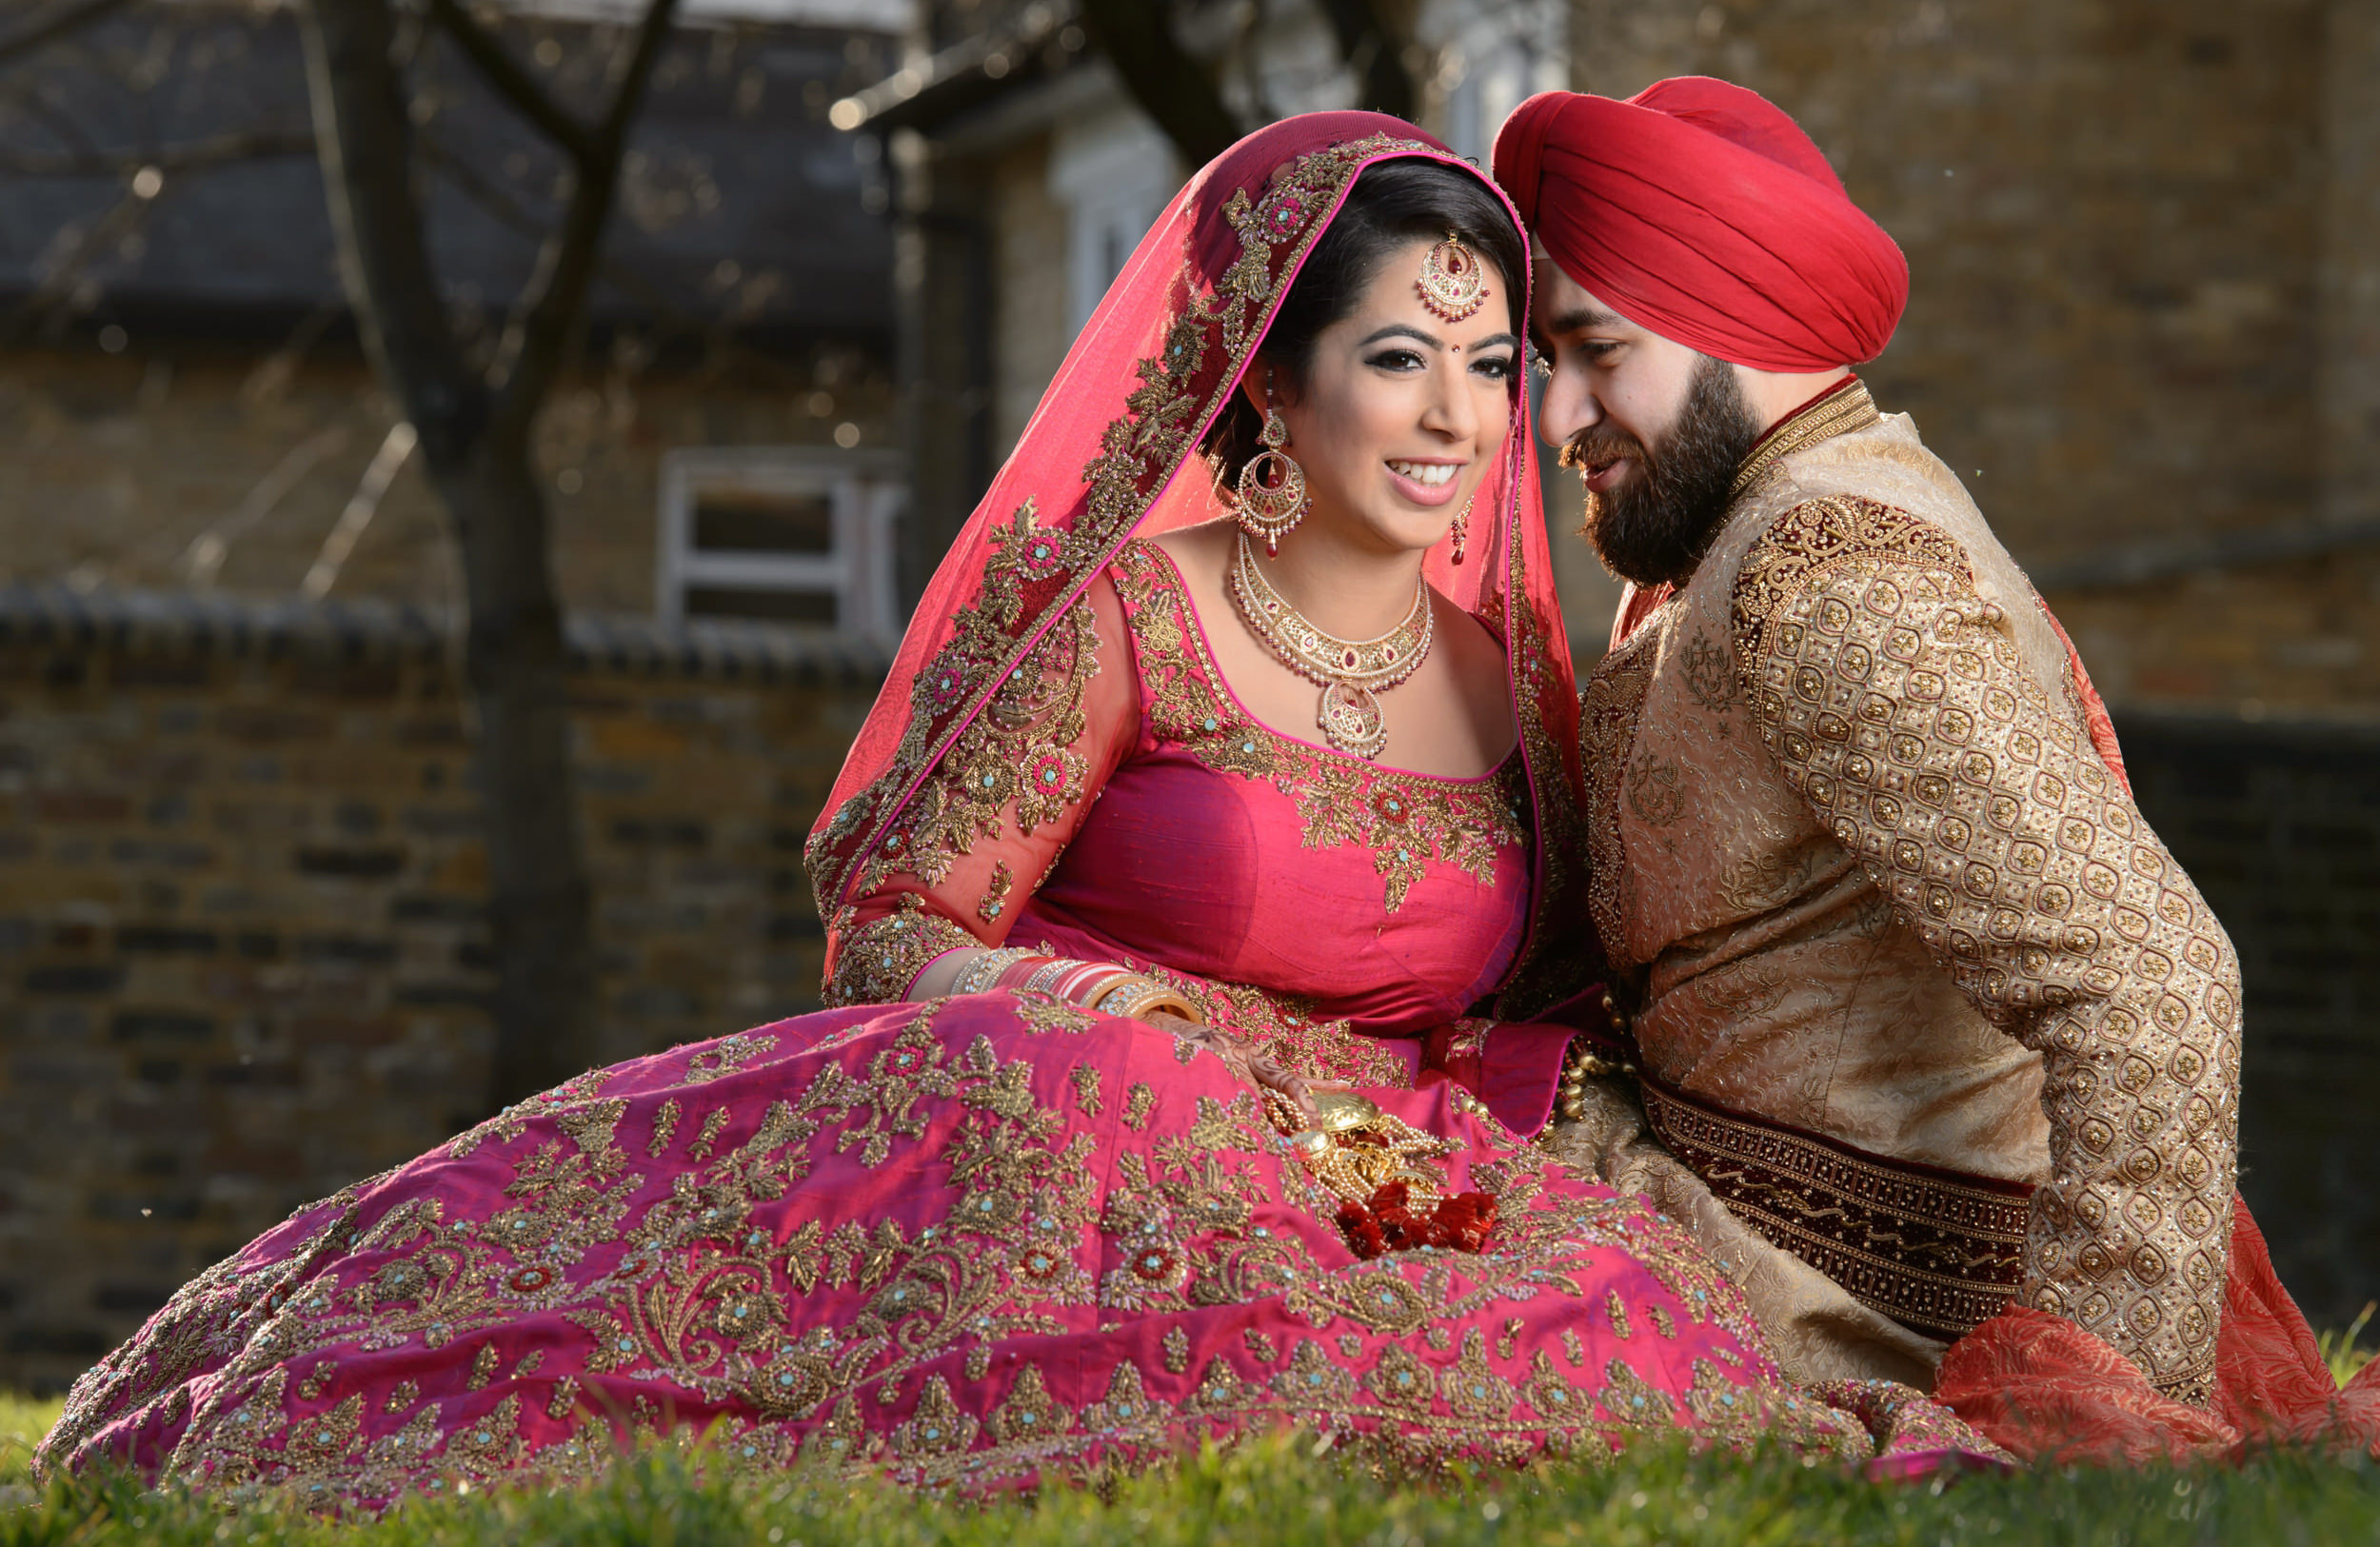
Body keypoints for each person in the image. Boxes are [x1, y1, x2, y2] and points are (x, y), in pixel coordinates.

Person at [47, 109, 1896, 1498]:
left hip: (1372, 1164)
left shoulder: (1517, 692)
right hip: (1073, 1107)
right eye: (1394, 358)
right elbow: (893, 920)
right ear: (1268, 381)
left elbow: (1548, 997)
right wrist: (1076, 1002)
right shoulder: (1134, 617)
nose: (1454, 416)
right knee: (1115, 1088)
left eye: (1490, 363)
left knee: (1617, 1351)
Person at [1505, 68, 2352, 1446]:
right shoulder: (1735, 521)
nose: (1559, 415)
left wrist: (2102, 1413)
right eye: (1552, 360)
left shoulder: (1821, 561)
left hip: (1848, 1307)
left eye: (1600, 349)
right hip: (1727, 1205)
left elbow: (2154, 981)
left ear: (1737, 321)